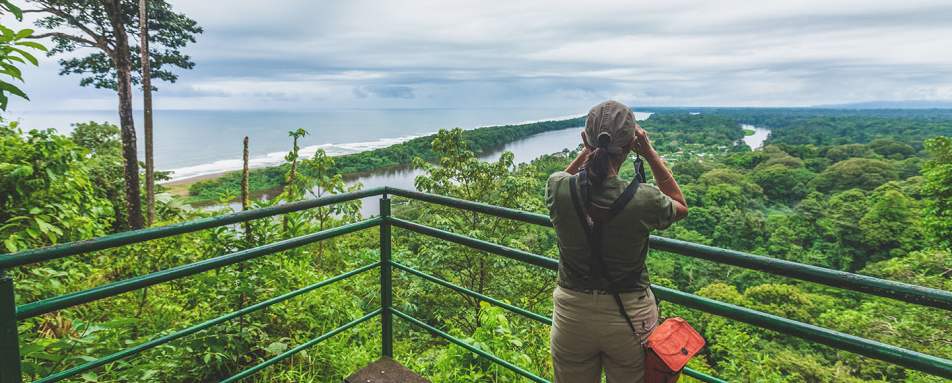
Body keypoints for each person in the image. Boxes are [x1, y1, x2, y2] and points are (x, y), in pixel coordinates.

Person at [546, 100, 689, 382]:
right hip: (630, 316)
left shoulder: (558, 188)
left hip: (572, 314)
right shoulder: (645, 198)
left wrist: (588, 150)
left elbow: (564, 177)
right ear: (630, 144)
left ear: (585, 139)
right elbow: (680, 205)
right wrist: (648, 152)